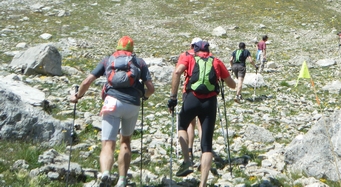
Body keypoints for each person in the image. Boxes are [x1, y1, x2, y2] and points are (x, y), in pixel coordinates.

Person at [70, 36, 155, 187]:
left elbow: (86, 81)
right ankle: (122, 180)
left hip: (112, 103)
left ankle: (105, 174)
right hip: (132, 105)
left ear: (117, 47)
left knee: (108, 143)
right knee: (126, 142)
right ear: (131, 48)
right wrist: (145, 97)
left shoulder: (107, 60)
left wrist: (78, 96)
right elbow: (151, 89)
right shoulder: (139, 62)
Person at [168, 40, 236, 187]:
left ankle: (187, 160)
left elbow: (177, 72)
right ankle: (203, 184)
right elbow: (232, 84)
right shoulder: (216, 61)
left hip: (192, 98)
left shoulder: (189, 58)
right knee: (206, 145)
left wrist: (173, 97)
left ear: (195, 50)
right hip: (210, 103)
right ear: (208, 50)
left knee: (182, 125)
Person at [177, 37, 204, 162]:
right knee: (202, 124)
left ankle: (189, 150)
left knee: (189, 123)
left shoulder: (185, 55)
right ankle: (205, 151)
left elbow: (178, 71)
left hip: (189, 92)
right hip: (206, 93)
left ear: (191, 45)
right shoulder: (207, 56)